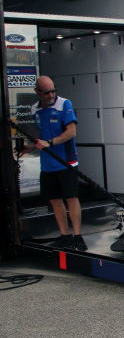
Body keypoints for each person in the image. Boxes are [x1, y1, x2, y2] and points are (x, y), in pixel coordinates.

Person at [27, 76, 85, 250]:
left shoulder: (64, 104)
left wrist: (50, 143)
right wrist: (30, 148)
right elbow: (40, 137)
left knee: (71, 198)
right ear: (37, 92)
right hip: (47, 164)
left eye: (53, 91)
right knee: (54, 200)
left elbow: (71, 132)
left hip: (66, 161)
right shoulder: (34, 110)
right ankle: (65, 235)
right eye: (47, 92)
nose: (51, 94)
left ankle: (78, 237)